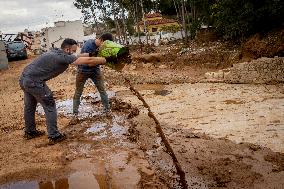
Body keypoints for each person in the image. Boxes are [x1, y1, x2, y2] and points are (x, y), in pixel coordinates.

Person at [19, 38, 114, 144]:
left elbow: (77, 57)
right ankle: (54, 136)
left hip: (24, 79)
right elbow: (88, 62)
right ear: (67, 49)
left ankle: (30, 132)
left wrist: (92, 54)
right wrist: (107, 60)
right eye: (73, 51)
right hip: (34, 82)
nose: (74, 53)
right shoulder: (62, 57)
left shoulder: (56, 52)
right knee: (50, 105)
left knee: (30, 106)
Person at [73, 33, 113, 115]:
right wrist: (106, 60)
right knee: (78, 92)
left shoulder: (102, 47)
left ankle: (107, 109)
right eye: (105, 44)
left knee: (102, 90)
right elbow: (90, 63)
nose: (105, 47)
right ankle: (75, 112)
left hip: (95, 70)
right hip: (83, 70)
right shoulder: (88, 45)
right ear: (101, 40)